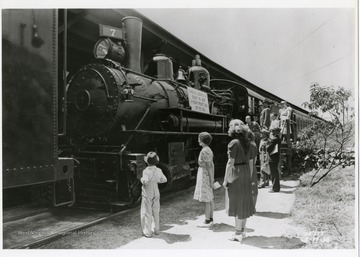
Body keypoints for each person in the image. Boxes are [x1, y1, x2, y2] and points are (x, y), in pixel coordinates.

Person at [223, 119, 254, 242]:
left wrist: (226, 180)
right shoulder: (249, 144)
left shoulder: (233, 143)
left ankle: (237, 233)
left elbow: (230, 163)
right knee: (244, 203)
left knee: (236, 204)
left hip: (236, 173)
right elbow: (251, 163)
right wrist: (249, 177)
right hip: (246, 173)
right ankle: (242, 231)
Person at [140, 151, 167, 238]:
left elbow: (145, 180)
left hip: (148, 192)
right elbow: (164, 179)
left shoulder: (146, 171)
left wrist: (142, 180)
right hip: (156, 190)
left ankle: (148, 232)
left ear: (147, 162)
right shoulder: (159, 170)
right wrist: (156, 181)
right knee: (156, 210)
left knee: (147, 211)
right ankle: (156, 230)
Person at [193, 132, 215, 227]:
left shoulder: (204, 151)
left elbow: (209, 166)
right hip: (207, 174)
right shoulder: (208, 149)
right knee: (210, 198)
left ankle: (207, 220)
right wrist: (212, 177)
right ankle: (210, 218)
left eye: (199, 138)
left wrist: (211, 179)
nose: (198, 140)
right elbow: (211, 165)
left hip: (205, 175)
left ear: (202, 140)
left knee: (206, 199)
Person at [267, 127, 281, 192]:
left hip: (273, 157)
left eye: (273, 131)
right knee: (274, 172)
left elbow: (269, 148)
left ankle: (275, 188)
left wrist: (267, 146)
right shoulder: (278, 139)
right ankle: (275, 187)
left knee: (274, 173)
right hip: (276, 157)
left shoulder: (275, 139)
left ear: (277, 132)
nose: (272, 133)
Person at [247, 130, 258, 211]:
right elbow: (255, 160)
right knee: (254, 189)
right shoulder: (254, 145)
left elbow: (250, 162)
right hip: (253, 168)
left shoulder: (248, 146)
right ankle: (253, 207)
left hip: (248, 168)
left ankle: (250, 207)